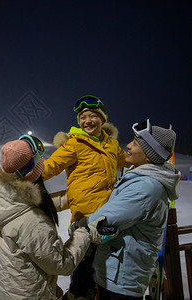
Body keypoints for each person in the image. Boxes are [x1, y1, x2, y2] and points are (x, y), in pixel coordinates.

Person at [0, 135, 118, 300]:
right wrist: (85, 232)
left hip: (11, 291)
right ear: (34, 171)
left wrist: (75, 197)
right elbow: (61, 264)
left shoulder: (5, 195)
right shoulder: (34, 224)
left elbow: (34, 204)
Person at [42, 95, 129, 299]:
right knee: (82, 279)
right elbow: (50, 167)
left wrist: (153, 161)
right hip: (85, 220)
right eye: (82, 117)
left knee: (108, 273)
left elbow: (127, 162)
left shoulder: (112, 145)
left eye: (92, 116)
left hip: (110, 218)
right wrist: (21, 174)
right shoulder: (74, 144)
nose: (87, 121)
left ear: (103, 119)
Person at [83, 120, 181, 299]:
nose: (128, 145)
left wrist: (80, 225)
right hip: (118, 271)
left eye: (135, 143)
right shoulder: (144, 178)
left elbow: (108, 217)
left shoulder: (146, 187)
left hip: (123, 277)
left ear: (149, 155)